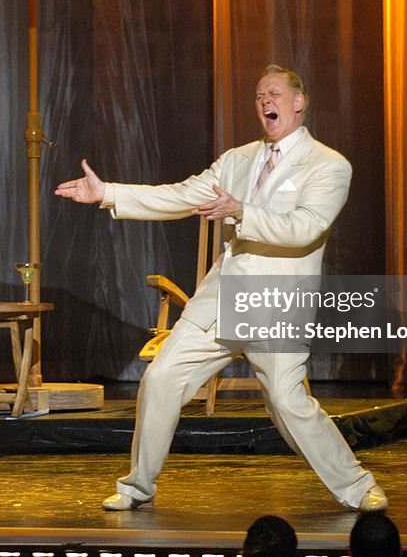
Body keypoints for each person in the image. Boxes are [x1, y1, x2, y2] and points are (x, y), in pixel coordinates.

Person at [55, 65, 386, 513]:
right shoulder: (238, 160)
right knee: (161, 378)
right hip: (221, 299)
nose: (265, 102)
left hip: (276, 304)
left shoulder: (328, 164)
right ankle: (137, 487)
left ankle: (357, 485)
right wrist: (110, 193)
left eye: (273, 94)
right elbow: (182, 195)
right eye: (258, 96)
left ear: (298, 103)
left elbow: (306, 228)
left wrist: (242, 210)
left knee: (288, 404)